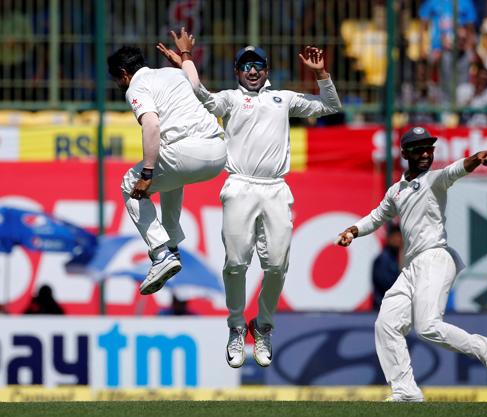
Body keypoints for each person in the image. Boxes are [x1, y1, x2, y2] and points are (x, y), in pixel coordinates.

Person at [157, 29, 342, 369]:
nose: (252, 71)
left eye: (258, 65)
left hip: (275, 187)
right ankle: (236, 326)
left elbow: (331, 106)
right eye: (246, 66)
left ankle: (264, 326)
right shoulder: (229, 98)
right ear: (237, 72)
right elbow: (200, 94)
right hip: (240, 185)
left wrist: (321, 75)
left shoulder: (283, 99)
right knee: (235, 264)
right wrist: (185, 60)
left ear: (267, 71)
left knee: (277, 265)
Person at [335, 127, 487, 402]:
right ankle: (405, 390)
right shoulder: (396, 191)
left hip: (435, 258)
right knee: (386, 324)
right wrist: (354, 231)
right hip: (411, 268)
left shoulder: (434, 181)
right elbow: (377, 216)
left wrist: (476, 158)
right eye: (419, 149)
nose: (426, 153)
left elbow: (455, 170)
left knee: (428, 326)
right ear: (405, 153)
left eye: (430, 148)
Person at [107, 46, 227, 296]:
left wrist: (147, 173)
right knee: (172, 168)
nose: (118, 84)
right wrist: (185, 56)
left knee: (130, 185)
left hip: (188, 152)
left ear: (123, 73)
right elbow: (194, 83)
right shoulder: (174, 74)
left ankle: (161, 253)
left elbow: (151, 124)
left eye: (116, 79)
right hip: (217, 153)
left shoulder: (136, 88)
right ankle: (171, 242)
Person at [372, 224, 403, 311]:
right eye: (395, 236)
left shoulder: (396, 257)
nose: (398, 240)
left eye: (400, 236)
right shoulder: (383, 259)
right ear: (389, 238)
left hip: (392, 308)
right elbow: (386, 284)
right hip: (382, 309)